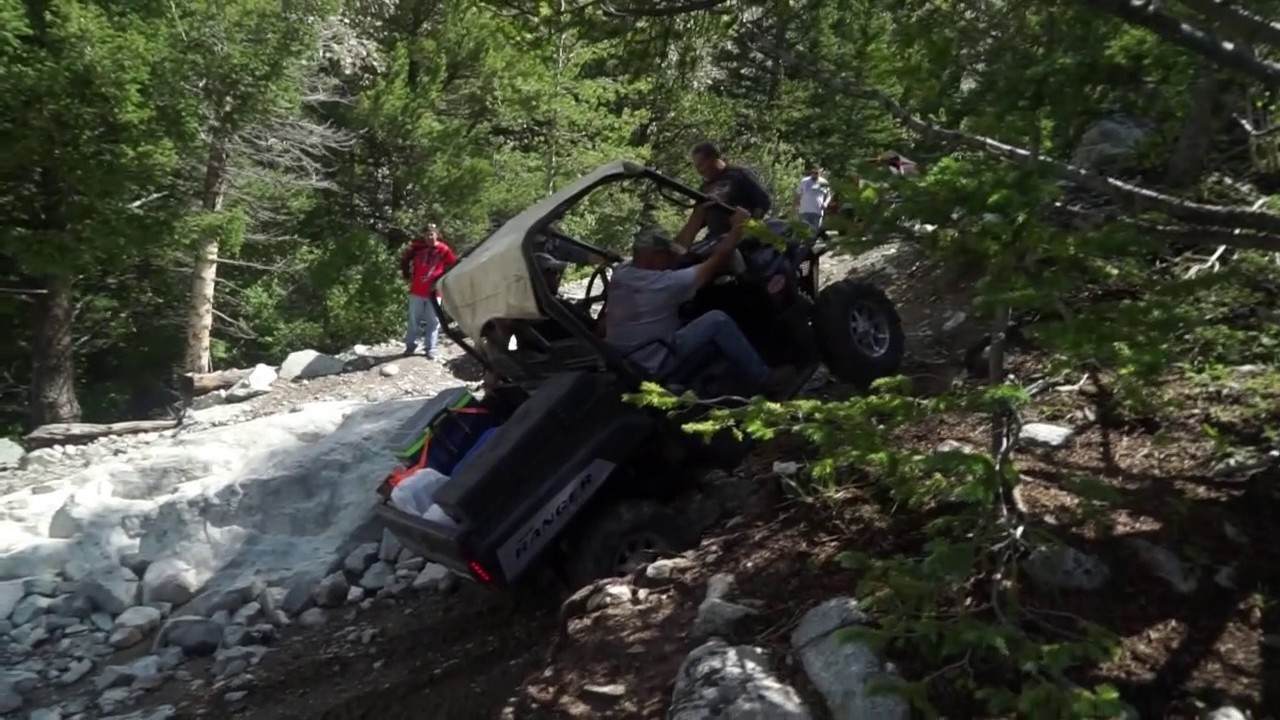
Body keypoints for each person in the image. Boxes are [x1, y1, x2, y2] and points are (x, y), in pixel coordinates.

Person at [605, 205, 797, 400]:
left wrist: (698, 216)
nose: (672, 259)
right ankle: (766, 379)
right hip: (654, 364)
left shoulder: (623, 273)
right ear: (656, 256)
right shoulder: (664, 285)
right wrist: (738, 228)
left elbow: (679, 249)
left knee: (688, 317)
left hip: (626, 359)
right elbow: (718, 260)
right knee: (717, 320)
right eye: (667, 255)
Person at [687, 142, 773, 242]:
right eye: (697, 167)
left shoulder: (739, 174)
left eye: (701, 164)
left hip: (741, 237)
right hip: (716, 239)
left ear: (713, 158)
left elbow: (763, 200)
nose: (699, 170)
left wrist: (750, 225)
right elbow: (698, 220)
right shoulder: (704, 188)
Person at [399, 223, 457, 358]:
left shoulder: (444, 249)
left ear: (437, 235)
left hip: (435, 291)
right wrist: (407, 274)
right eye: (426, 234)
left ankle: (431, 348)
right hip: (417, 290)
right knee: (414, 319)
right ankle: (410, 346)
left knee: (433, 320)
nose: (429, 237)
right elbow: (405, 260)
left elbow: (453, 265)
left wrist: (442, 281)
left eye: (431, 234)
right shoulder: (417, 248)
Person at [794, 165, 831, 231]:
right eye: (813, 173)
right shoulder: (804, 181)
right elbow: (798, 194)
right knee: (804, 231)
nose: (814, 175)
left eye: (816, 173)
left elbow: (829, 195)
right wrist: (796, 206)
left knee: (815, 231)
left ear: (819, 173)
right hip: (805, 211)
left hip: (817, 211)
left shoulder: (824, 183)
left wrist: (825, 203)